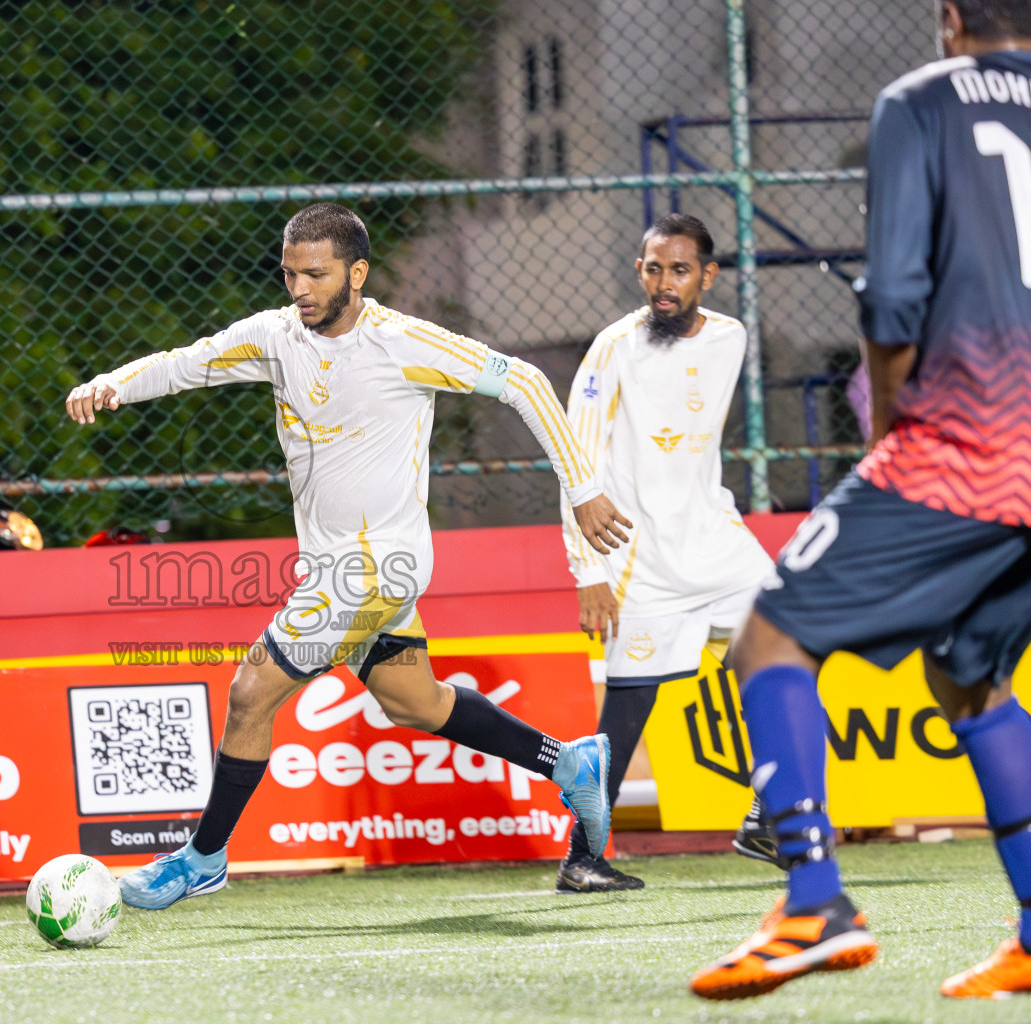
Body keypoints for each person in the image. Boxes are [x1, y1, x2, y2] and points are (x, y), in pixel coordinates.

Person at [65, 201, 634, 910]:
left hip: (376, 569)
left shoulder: (403, 341)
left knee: (250, 694)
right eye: (289, 274)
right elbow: (190, 363)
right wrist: (113, 384)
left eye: (316, 274)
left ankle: (202, 858)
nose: (299, 288)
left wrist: (584, 488)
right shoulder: (276, 336)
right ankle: (570, 762)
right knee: (416, 703)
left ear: (356, 273)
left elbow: (523, 381)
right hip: (341, 569)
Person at [690, 0, 1031, 1001]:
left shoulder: (918, 102)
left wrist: (891, 437)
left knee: (770, 639)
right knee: (967, 678)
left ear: (950, 17)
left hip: (971, 442)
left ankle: (814, 901)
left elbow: (894, 296)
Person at [556, 213, 773, 893]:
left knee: (791, 644)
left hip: (718, 543)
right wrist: (587, 570)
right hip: (638, 560)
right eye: (652, 268)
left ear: (707, 276)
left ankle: (770, 819)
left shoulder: (732, 337)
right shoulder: (613, 347)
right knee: (625, 712)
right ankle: (582, 858)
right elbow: (574, 458)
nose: (663, 283)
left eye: (679, 270)